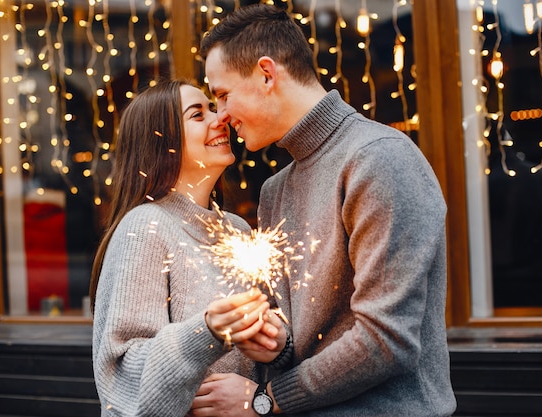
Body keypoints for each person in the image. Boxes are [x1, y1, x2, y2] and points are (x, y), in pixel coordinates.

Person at [196, 4, 457, 416]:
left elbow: (386, 340)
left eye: (223, 95)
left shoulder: (378, 160)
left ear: (267, 74)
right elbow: (300, 339)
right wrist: (273, 342)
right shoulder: (274, 190)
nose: (222, 116)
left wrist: (266, 400)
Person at [90, 79, 287, 417]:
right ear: (162, 141)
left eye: (214, 107)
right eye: (198, 114)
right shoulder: (144, 227)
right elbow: (123, 376)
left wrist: (275, 342)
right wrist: (207, 331)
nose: (220, 118)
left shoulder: (237, 230)